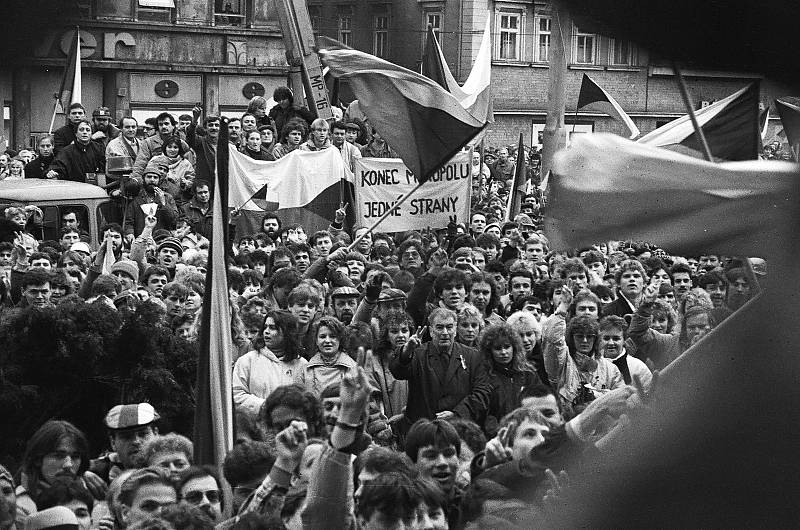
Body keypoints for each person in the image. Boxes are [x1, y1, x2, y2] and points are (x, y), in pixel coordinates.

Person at [390, 307, 491, 426]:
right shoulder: (418, 354)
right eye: (439, 327)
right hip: (424, 430)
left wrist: (457, 413)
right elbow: (398, 372)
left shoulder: (473, 356)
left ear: (455, 329)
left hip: (460, 428)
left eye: (449, 327)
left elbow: (482, 393)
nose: (445, 333)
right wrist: (406, 351)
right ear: (431, 331)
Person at [232, 310, 308, 418]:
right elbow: (237, 395)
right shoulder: (247, 361)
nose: (266, 331)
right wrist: (265, 406)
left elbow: (307, 400)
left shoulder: (302, 365)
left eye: (273, 328)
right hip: (256, 427)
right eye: (265, 327)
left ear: (287, 332)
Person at [14, 420, 91, 521]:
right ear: (38, 459)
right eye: (59, 456)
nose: (68, 464)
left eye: (75, 456)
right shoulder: (20, 507)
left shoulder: (91, 492)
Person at [480, 323, 542, 437]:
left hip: (528, 432)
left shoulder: (528, 374)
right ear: (490, 351)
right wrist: (499, 432)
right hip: (498, 436)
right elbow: (486, 414)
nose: (503, 352)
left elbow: (539, 403)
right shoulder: (485, 376)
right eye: (498, 348)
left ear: (514, 347)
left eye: (507, 347)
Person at [90, 403, 160, 483]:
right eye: (126, 436)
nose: (136, 441)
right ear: (113, 442)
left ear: (156, 434)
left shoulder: (173, 466)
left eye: (143, 434)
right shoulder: (96, 472)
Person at [366, 311, 412, 422]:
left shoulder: (419, 356)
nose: (400, 335)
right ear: (386, 335)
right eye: (394, 331)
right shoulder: (375, 360)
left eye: (404, 331)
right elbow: (371, 396)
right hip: (387, 424)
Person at [304, 316, 358, 397]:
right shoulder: (306, 369)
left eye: (333, 336)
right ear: (316, 341)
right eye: (322, 337)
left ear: (340, 339)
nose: (327, 341)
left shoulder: (352, 367)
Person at [130, 112, 191, 183]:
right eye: (160, 124)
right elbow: (140, 164)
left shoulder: (181, 143)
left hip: (177, 183)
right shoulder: (148, 143)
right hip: (154, 181)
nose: (164, 127)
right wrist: (136, 181)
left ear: (173, 126)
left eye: (166, 124)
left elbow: (189, 165)